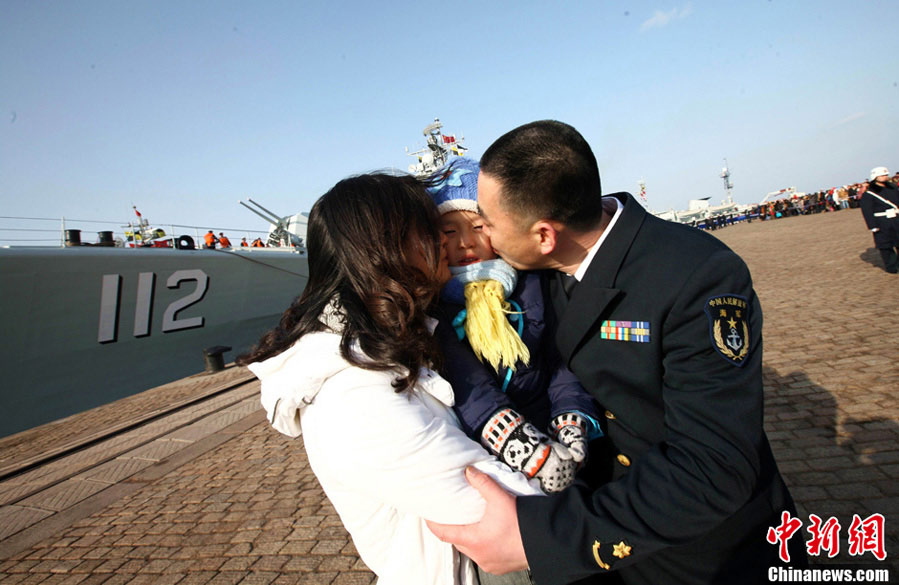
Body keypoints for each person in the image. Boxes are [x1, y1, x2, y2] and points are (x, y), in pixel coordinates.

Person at [428, 120, 805, 585]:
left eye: (486, 222)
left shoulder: (697, 276)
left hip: (696, 552)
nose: (475, 237)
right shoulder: (530, 269)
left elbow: (714, 468)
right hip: (602, 527)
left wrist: (544, 540)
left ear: (544, 234)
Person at [238, 173, 544, 585]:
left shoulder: (398, 338)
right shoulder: (352, 396)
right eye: (428, 230)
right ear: (385, 249)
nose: (444, 242)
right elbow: (497, 504)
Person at [428, 158, 603, 495]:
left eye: (479, 227)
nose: (465, 242)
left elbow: (560, 357)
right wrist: (522, 445)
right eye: (449, 232)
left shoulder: (531, 282)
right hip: (487, 450)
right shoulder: (436, 305)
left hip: (551, 425)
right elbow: (467, 385)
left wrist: (571, 416)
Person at [860, 166, 899, 274]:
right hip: (882, 222)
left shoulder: (893, 188)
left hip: (896, 218)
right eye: (882, 175)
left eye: (886, 175)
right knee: (886, 246)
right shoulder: (869, 194)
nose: (885, 177)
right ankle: (892, 267)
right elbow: (867, 210)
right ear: (875, 177)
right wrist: (872, 225)